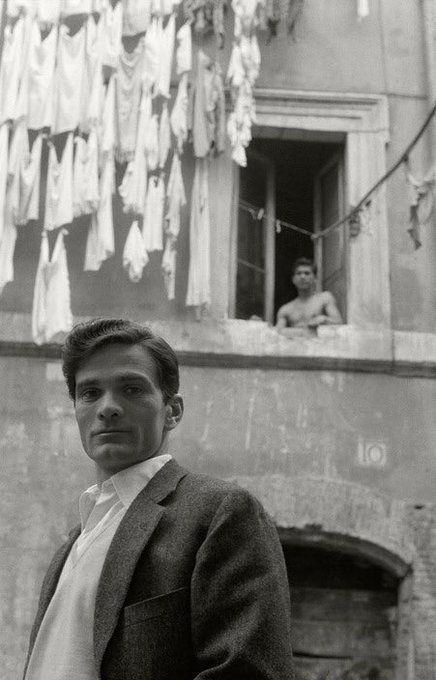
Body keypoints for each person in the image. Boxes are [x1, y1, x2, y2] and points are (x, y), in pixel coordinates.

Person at [23, 318, 294, 680]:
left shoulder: (218, 512)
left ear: (173, 411)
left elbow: (248, 673)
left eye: (132, 389)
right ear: (75, 410)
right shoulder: (71, 546)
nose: (108, 407)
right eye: (90, 393)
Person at [276, 258, 342, 337]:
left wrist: (323, 319)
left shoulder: (325, 298)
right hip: (295, 347)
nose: (302, 277)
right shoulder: (286, 309)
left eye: (307, 273)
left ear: (315, 278)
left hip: (320, 347)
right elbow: (278, 333)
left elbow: (338, 322)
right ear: (293, 279)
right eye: (299, 273)